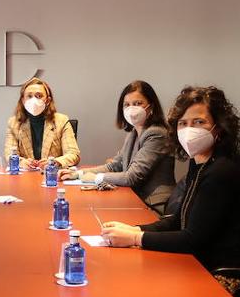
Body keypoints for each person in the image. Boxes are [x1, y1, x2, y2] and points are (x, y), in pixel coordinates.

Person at [100, 86, 240, 272]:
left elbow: (193, 240)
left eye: (199, 122)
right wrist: (133, 229)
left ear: (219, 128)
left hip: (224, 274)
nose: (189, 130)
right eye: (183, 123)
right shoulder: (200, 163)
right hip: (202, 262)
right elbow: (178, 220)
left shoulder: (221, 172)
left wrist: (136, 239)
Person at [63, 80, 174, 210]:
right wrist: (79, 174)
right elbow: (115, 165)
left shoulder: (156, 134)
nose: (131, 109)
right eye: (126, 105)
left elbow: (132, 177)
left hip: (154, 205)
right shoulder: (133, 133)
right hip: (135, 199)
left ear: (151, 106)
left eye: (138, 103)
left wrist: (96, 178)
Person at [3, 76, 80, 169]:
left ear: (47, 101)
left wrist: (55, 162)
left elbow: (73, 154)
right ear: (23, 100)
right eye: (29, 96)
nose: (34, 100)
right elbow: (9, 155)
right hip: (26, 177)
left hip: (52, 176)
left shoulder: (61, 121)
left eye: (39, 96)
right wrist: (22, 162)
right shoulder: (13, 123)